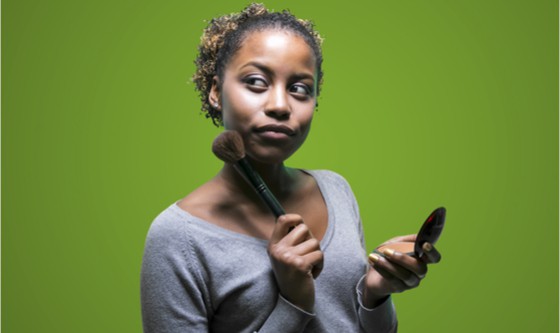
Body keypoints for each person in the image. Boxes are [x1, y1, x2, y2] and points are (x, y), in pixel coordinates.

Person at [140, 3, 441, 332]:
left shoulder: (335, 190)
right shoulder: (176, 237)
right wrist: (293, 302)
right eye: (256, 82)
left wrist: (374, 294)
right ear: (215, 91)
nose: (280, 106)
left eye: (300, 88)